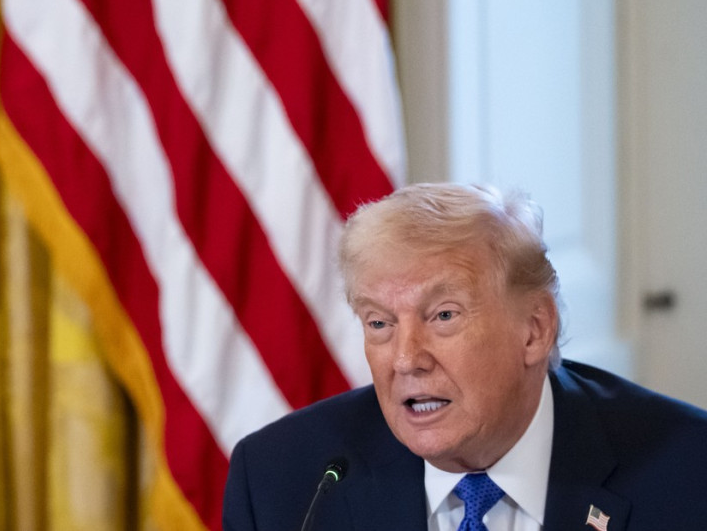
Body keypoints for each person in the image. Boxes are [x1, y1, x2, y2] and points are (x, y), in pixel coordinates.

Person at [223, 183, 707, 531]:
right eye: (379, 323)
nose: (406, 359)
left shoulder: (688, 472)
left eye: (443, 316)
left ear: (535, 330)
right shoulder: (281, 480)